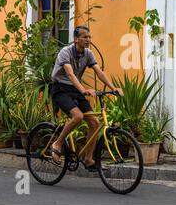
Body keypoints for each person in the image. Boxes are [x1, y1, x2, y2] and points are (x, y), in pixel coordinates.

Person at [50, 25, 123, 170]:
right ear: (76, 39)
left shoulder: (88, 53)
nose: (88, 40)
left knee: (95, 123)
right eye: (85, 37)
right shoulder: (65, 52)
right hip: (60, 88)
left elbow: (99, 72)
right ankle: (57, 143)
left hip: (75, 89)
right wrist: (83, 90)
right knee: (77, 116)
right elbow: (70, 74)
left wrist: (113, 88)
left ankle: (88, 159)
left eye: (89, 37)